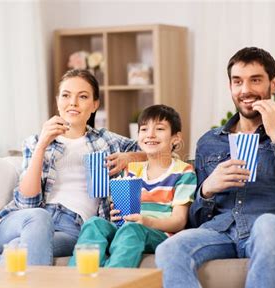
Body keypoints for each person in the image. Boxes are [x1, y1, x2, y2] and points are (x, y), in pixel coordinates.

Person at [155, 47, 275, 288]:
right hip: (221, 231)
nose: (245, 90)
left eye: (255, 80)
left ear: (273, 83)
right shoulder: (210, 142)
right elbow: (197, 219)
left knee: (267, 225)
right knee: (169, 248)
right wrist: (207, 190)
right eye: (238, 82)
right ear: (230, 86)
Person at [0, 69, 146, 265]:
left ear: (94, 105)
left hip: (71, 228)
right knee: (39, 218)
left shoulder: (107, 141)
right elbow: (26, 203)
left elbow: (161, 153)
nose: (73, 102)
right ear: (58, 101)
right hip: (24, 220)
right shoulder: (36, 141)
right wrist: (41, 147)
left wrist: (129, 157)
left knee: (17, 248)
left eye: (82, 97)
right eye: (66, 95)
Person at [68, 104, 197, 268]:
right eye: (143, 129)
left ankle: (112, 286)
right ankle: (77, 281)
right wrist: (117, 214)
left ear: (176, 138)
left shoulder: (183, 172)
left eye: (159, 129)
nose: (150, 134)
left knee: (132, 229)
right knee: (94, 223)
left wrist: (146, 222)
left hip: (159, 234)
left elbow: (179, 221)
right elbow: (122, 215)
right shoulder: (132, 170)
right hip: (128, 227)